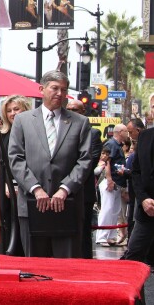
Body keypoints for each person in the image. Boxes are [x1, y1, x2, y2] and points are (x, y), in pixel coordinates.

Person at [8, 70, 91, 258]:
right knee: (35, 267)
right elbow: (15, 158)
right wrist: (36, 189)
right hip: (32, 204)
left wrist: (65, 189)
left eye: (64, 89)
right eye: (54, 88)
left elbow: (85, 160)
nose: (60, 94)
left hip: (67, 205)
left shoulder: (80, 122)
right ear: (42, 89)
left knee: (67, 267)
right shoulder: (23, 120)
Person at [66, 98, 102, 258]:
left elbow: (90, 161)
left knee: (84, 232)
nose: (72, 113)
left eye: (76, 110)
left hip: (83, 192)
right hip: (60, 191)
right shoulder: (58, 130)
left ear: (83, 112)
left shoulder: (93, 133)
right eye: (69, 109)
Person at [0, 95, 31, 255]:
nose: (13, 113)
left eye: (16, 109)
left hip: (28, 189)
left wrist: (20, 184)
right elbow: (0, 163)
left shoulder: (33, 133)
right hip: (6, 190)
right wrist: (5, 184)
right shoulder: (2, 134)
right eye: (9, 110)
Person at [123, 126, 154, 264]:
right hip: (147, 209)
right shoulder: (145, 136)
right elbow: (136, 172)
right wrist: (143, 199)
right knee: (133, 256)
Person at [101, 124, 129, 245]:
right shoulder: (111, 144)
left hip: (118, 182)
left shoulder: (118, 145)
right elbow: (106, 162)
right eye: (126, 131)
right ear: (120, 132)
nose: (127, 134)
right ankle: (102, 236)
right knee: (107, 209)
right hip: (111, 182)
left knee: (115, 210)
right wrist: (109, 179)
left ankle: (110, 236)